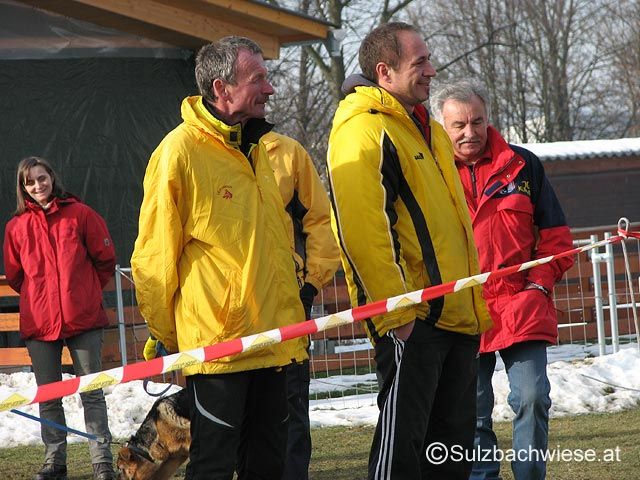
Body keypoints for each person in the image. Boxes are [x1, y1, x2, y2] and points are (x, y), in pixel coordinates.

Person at [130, 36, 307, 480]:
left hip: (273, 342)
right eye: (258, 79)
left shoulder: (257, 148)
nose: (269, 88)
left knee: (269, 464)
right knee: (212, 465)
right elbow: (153, 258)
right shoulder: (179, 152)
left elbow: (270, 247)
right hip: (219, 349)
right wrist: (169, 336)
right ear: (221, 88)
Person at [327, 22, 493, 480]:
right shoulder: (362, 131)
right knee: (401, 457)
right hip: (414, 322)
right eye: (420, 62)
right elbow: (364, 233)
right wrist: (398, 315)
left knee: (451, 459)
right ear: (385, 72)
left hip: (458, 318)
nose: (432, 70)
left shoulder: (430, 129)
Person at [430, 79, 574, 480]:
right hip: (461, 312)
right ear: (442, 126)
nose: (469, 132)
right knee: (471, 413)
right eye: (458, 125)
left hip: (521, 305)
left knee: (532, 397)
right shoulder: (430, 173)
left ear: (488, 118)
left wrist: (538, 286)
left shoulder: (524, 165)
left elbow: (557, 240)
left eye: (477, 121)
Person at [3, 156, 117, 480]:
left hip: (84, 320)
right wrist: (41, 297)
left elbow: (105, 259)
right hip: (40, 324)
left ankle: (102, 463)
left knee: (92, 392)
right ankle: (55, 463)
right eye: (30, 182)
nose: (37, 185)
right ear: (23, 188)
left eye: (42, 178)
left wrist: (83, 293)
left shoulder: (81, 214)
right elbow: (16, 276)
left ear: (52, 178)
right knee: (49, 396)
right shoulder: (15, 228)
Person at [262, 131, 341, 480]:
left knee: (291, 406)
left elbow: (320, 221)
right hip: (227, 311)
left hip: (288, 303)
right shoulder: (196, 152)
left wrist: (311, 284)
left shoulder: (289, 153)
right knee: (237, 419)